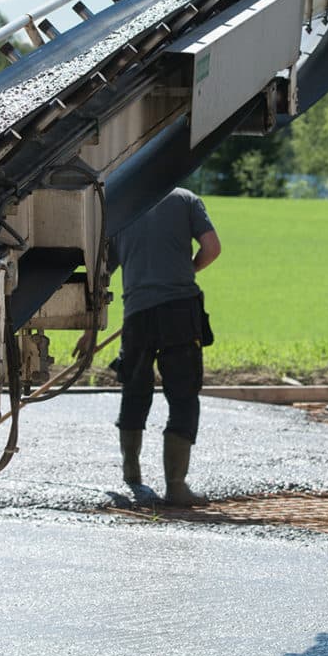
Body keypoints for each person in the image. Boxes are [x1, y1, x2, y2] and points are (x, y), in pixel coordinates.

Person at [112, 187, 220, 506]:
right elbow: (212, 247)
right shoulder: (185, 200)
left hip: (137, 314)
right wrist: (187, 269)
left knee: (135, 391)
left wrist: (89, 331)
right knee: (183, 395)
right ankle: (176, 486)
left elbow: (101, 270)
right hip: (179, 311)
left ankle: (132, 475)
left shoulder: (120, 202)